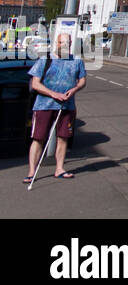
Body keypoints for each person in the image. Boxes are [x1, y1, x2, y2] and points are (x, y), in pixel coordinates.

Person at [25, 33, 86, 183]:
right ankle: (31, 172)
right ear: (56, 43)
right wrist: (53, 94)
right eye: (61, 43)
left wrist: (75, 89)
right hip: (44, 106)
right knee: (38, 138)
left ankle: (59, 169)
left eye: (67, 44)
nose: (64, 46)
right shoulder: (45, 60)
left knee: (63, 137)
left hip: (67, 106)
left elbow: (82, 80)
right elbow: (35, 84)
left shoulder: (77, 61)